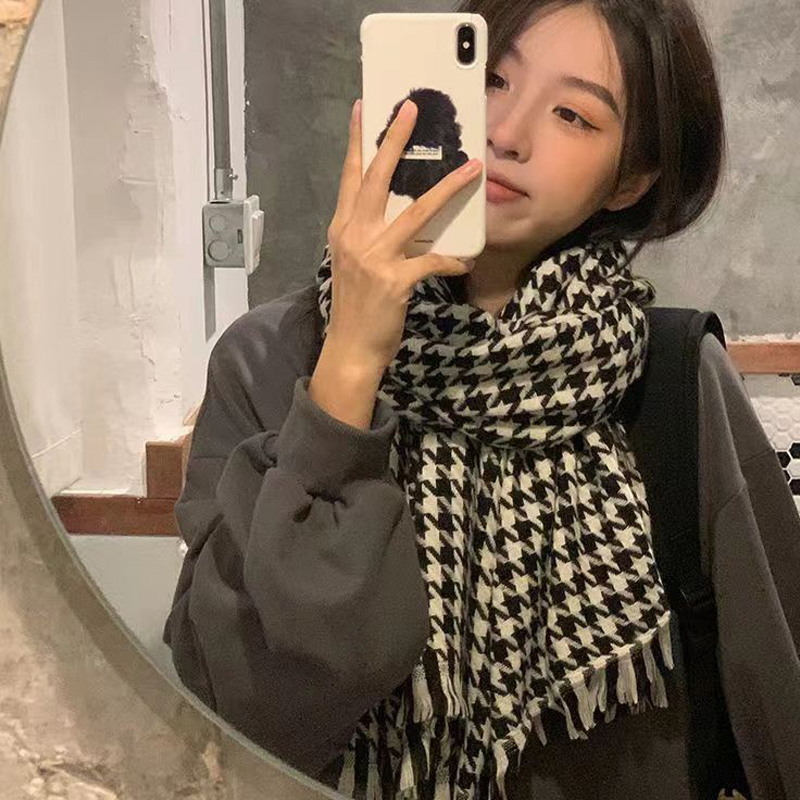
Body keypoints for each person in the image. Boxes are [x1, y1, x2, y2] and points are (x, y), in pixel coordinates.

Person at [163, 1, 800, 798]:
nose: (506, 132)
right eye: (491, 77)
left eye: (574, 115)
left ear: (628, 182)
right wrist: (351, 365)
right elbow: (242, 721)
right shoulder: (271, 362)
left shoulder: (669, 380)